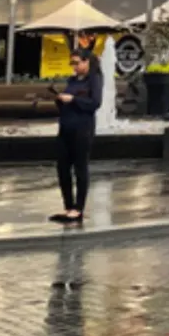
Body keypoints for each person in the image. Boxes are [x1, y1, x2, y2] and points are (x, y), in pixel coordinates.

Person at [51, 48, 102, 224]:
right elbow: (66, 103)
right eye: (71, 63)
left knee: (80, 167)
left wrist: (73, 100)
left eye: (77, 62)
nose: (74, 66)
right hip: (66, 127)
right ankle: (68, 205)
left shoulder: (93, 80)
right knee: (62, 167)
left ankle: (78, 208)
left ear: (87, 62)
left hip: (82, 128)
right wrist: (59, 100)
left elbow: (95, 103)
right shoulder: (72, 80)